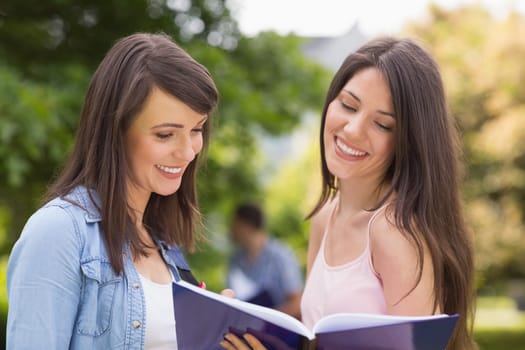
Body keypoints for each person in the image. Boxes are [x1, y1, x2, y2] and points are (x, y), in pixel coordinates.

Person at [221, 36, 476, 350]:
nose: (353, 129)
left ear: (409, 142)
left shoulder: (395, 234)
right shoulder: (325, 218)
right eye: (348, 105)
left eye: (382, 125)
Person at [7, 32, 219, 349]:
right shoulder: (58, 233)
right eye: (165, 135)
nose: (188, 151)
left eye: (197, 129)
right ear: (115, 131)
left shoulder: (164, 242)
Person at [226, 203, 303, 318]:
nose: (230, 229)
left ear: (247, 225)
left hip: (277, 329)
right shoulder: (235, 259)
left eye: (234, 223)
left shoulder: (281, 256)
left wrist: (265, 319)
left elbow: (297, 303)